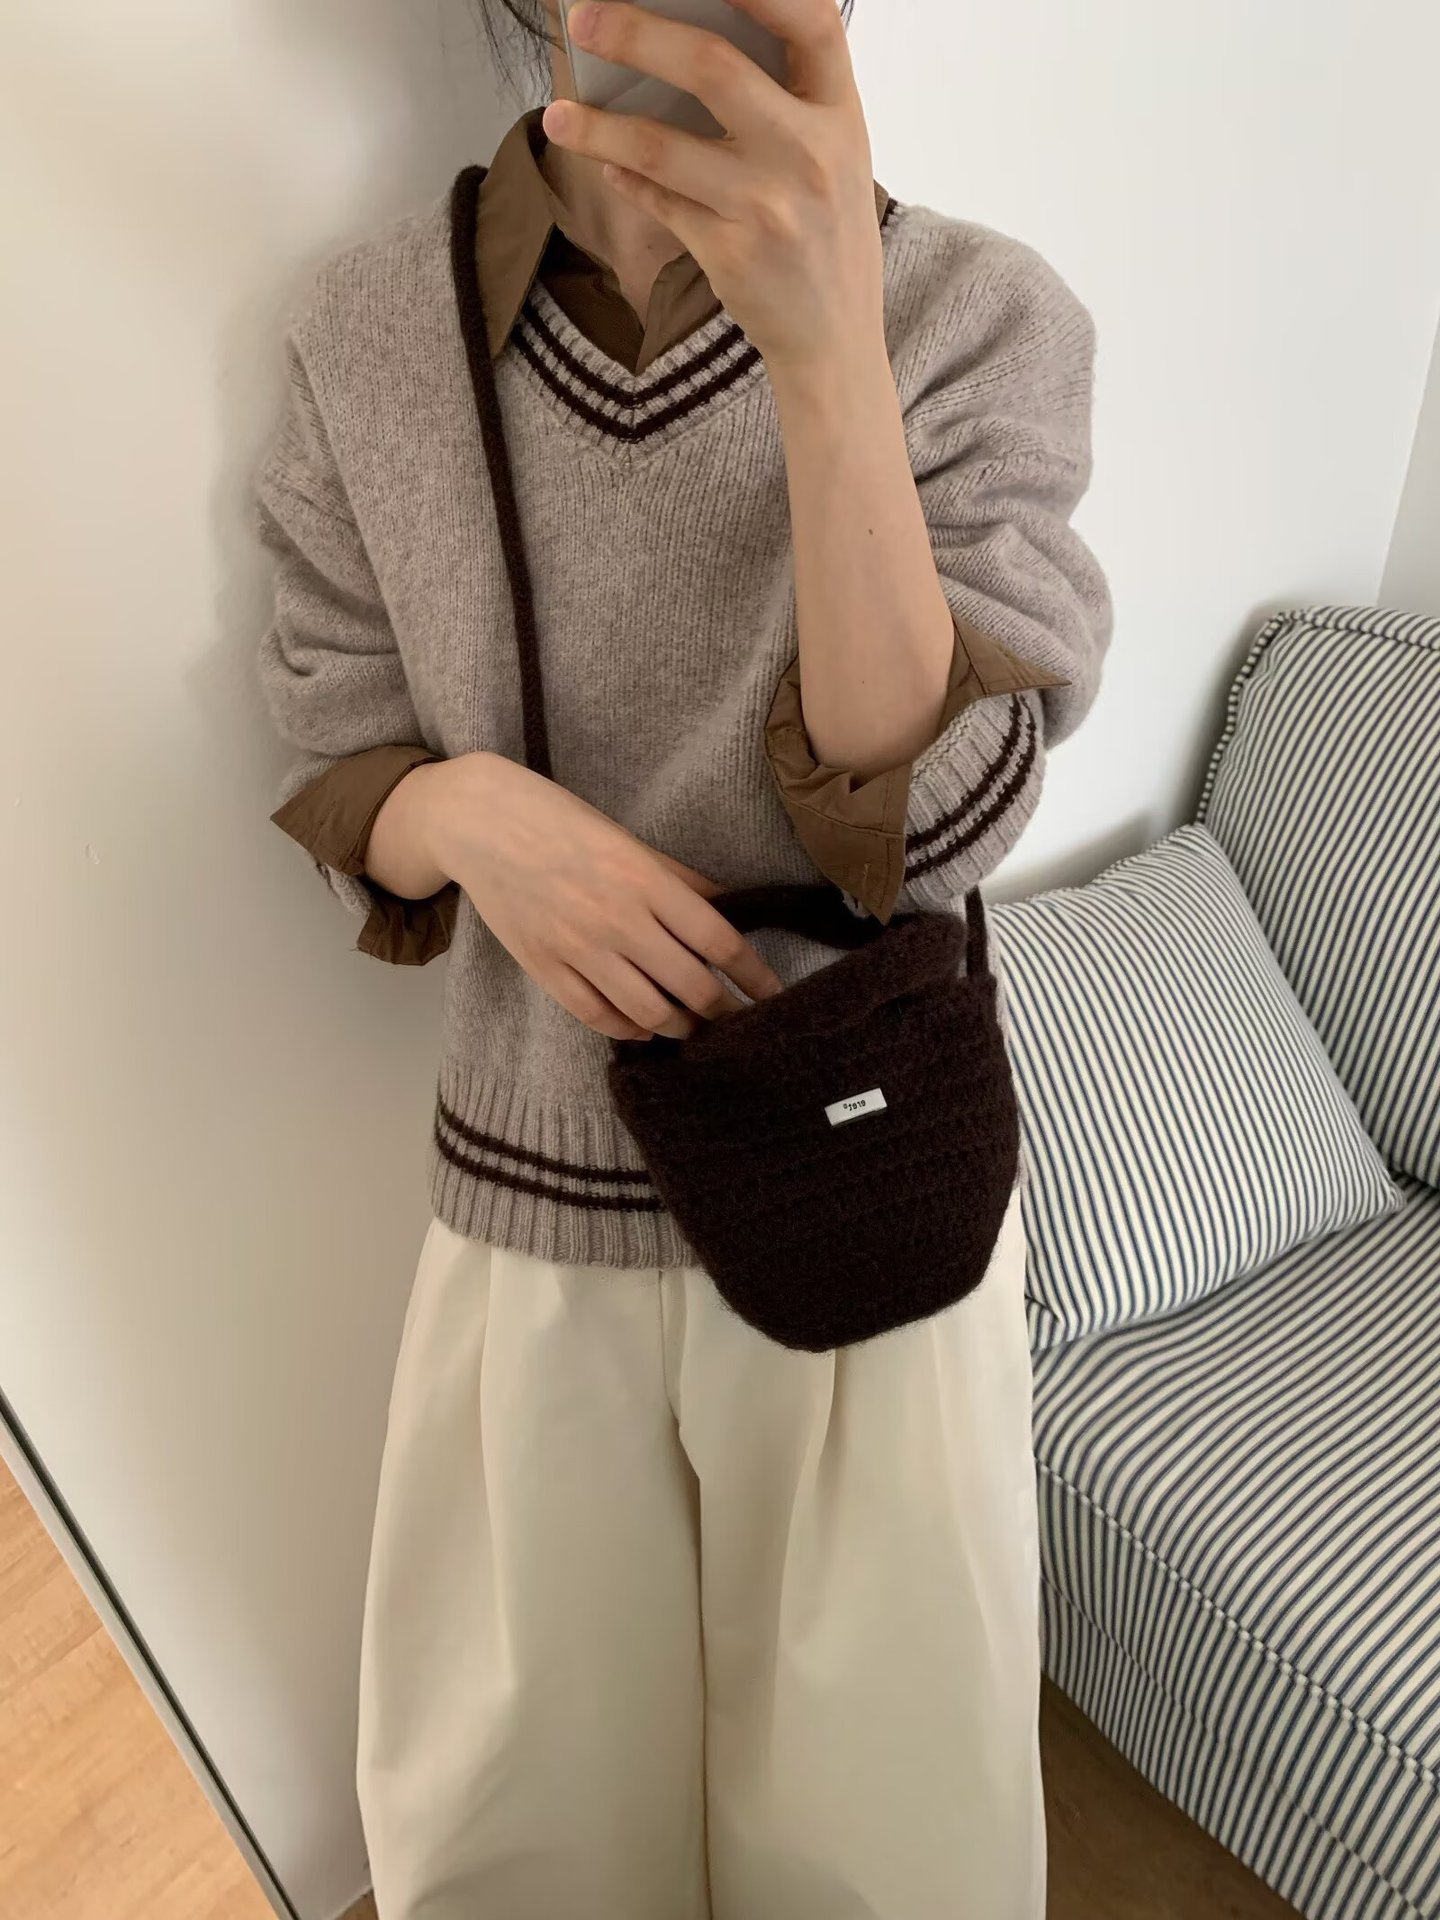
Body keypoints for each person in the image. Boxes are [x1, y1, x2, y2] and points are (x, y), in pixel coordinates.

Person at [255, 1, 1111, 1914]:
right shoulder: (369, 335)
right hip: (532, 1233)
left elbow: (943, 827)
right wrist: (474, 814)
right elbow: (333, 743)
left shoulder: (981, 315)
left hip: (878, 1231)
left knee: (897, 1868)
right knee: (512, 1857)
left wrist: (827, 362)